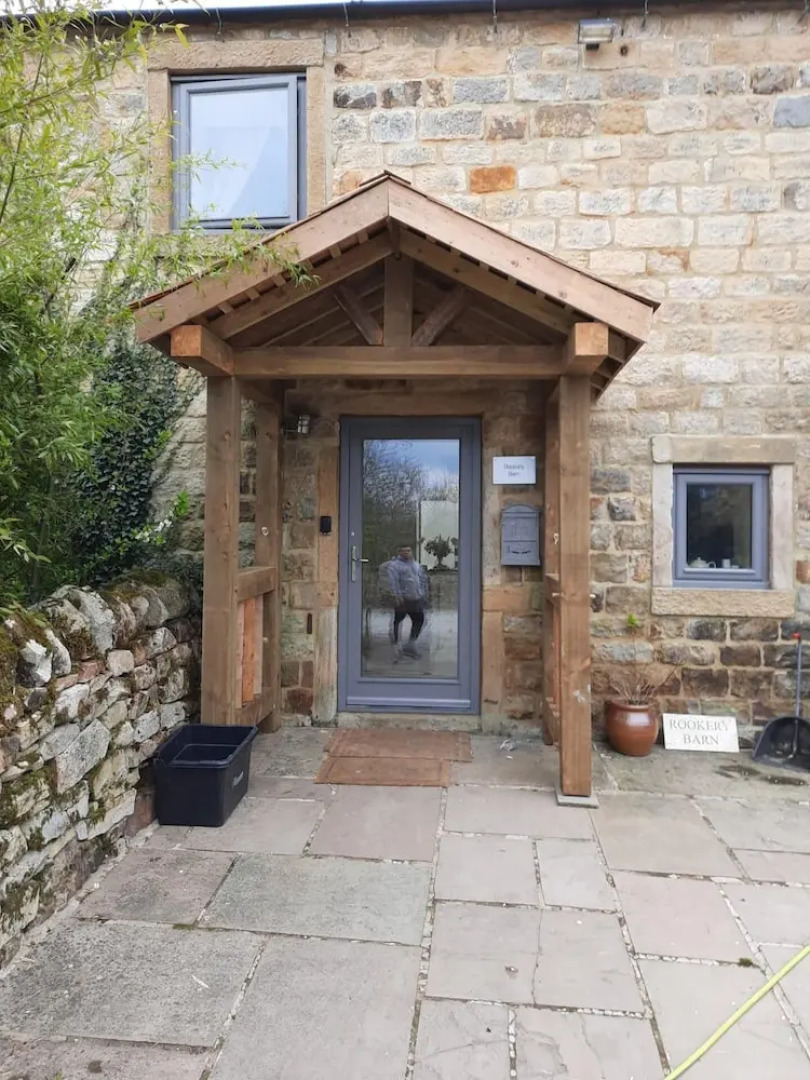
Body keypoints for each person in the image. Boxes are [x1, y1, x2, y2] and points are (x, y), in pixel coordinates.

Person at [387, 545, 428, 658]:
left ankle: (410, 645)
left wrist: (423, 595)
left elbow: (422, 580)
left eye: (408, 550)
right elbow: (393, 581)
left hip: (416, 598)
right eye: (404, 551)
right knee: (397, 622)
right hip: (403, 599)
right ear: (399, 552)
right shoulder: (394, 565)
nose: (407, 553)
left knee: (420, 620)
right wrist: (396, 595)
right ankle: (396, 648)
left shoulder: (416, 565)